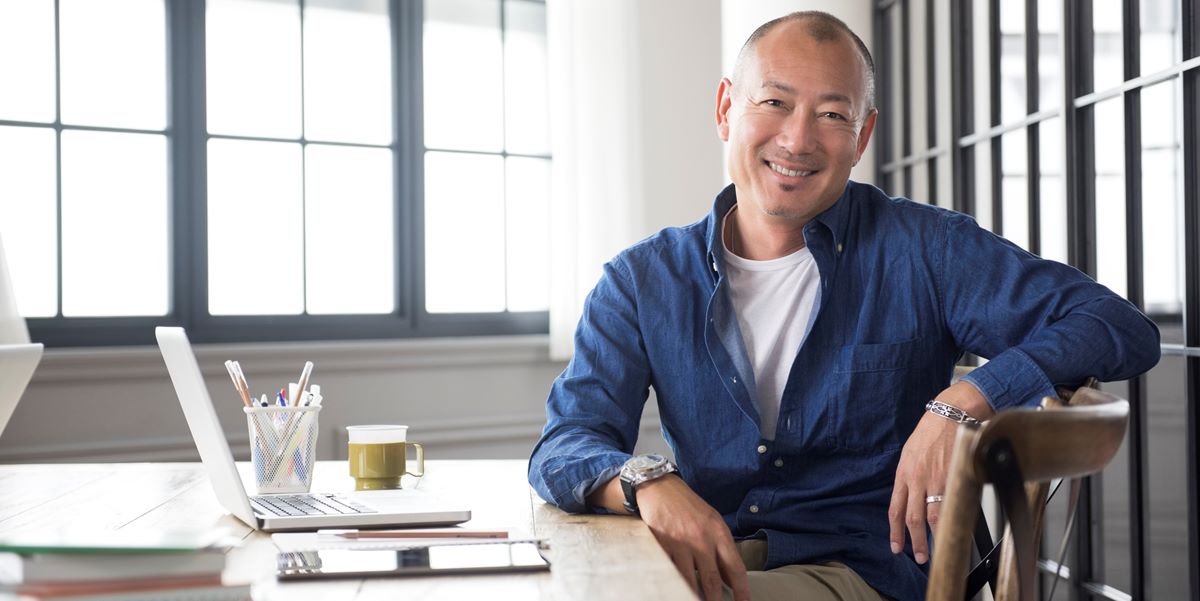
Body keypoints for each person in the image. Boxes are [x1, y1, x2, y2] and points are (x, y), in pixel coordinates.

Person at [527, 11, 1160, 601]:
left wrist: (965, 401)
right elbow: (565, 443)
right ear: (726, 109)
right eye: (774, 102)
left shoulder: (926, 249)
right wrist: (649, 481)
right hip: (719, 555)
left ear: (863, 136)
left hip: (866, 569)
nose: (798, 139)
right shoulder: (642, 280)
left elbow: (1118, 327)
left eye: (833, 114)